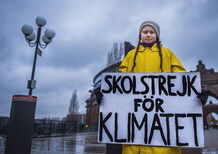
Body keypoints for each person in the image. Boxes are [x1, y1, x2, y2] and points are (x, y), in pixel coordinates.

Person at [95, 20, 209, 154]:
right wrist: (107, 95)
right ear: (140, 35)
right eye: (145, 32)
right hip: (134, 135)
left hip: (163, 138)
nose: (148, 35)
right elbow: (121, 84)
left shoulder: (168, 54)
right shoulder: (131, 56)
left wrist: (194, 94)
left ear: (157, 35)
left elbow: (181, 80)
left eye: (152, 32)